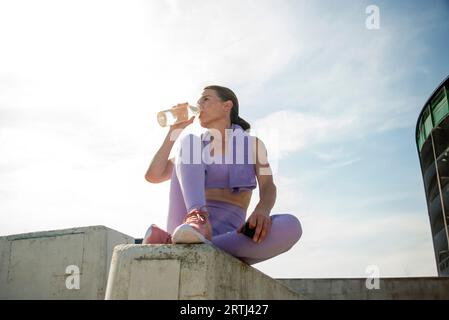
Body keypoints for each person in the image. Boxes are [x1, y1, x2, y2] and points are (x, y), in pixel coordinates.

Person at [143, 85, 302, 265]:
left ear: (227, 106)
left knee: (292, 226)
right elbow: (153, 175)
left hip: (232, 237)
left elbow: (268, 186)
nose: (199, 105)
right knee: (188, 142)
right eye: (198, 102)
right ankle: (197, 221)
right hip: (188, 227)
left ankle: (180, 244)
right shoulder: (194, 148)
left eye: (206, 99)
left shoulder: (254, 145)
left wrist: (262, 210)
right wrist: (174, 132)